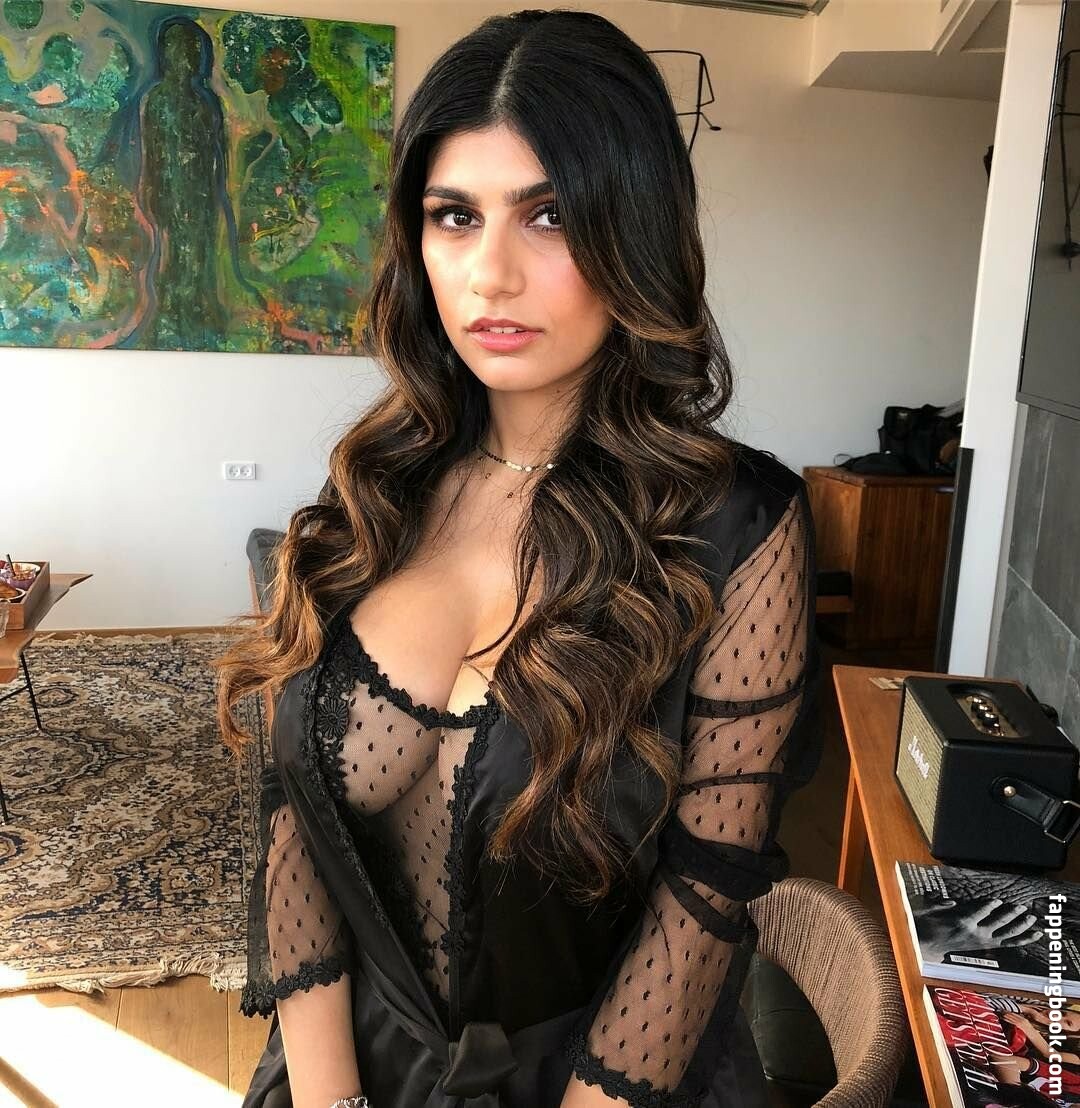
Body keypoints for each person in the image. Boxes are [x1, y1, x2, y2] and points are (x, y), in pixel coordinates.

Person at [214, 9, 823, 1108]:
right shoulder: (374, 492)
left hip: (605, 1082)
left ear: (634, 230)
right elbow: (293, 812)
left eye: (549, 216)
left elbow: (706, 890)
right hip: (351, 1069)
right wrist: (329, 1098)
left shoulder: (738, 528)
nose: (490, 274)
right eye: (455, 216)